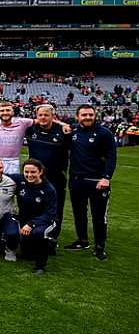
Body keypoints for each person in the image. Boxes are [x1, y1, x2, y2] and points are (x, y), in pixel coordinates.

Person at [66, 104, 116, 261]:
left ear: (95, 115)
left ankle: (100, 247)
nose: (87, 117)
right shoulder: (73, 131)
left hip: (97, 182)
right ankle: (82, 241)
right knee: (79, 213)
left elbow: (111, 157)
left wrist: (106, 177)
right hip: (76, 181)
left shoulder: (104, 133)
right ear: (77, 116)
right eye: (84, 115)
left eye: (90, 114)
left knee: (98, 216)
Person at [25, 104, 70, 250]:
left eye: (46, 115)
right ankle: (32, 234)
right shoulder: (31, 129)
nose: (43, 118)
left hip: (56, 176)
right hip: (34, 177)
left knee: (56, 208)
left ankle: (52, 238)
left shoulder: (62, 131)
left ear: (53, 116)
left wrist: (62, 124)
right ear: (36, 117)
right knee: (33, 206)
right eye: (40, 115)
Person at [12, 159, 58, 275]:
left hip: (45, 221)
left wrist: (31, 224)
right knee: (27, 256)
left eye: (33, 172)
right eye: (26, 172)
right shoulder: (20, 179)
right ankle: (50, 244)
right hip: (25, 220)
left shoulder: (49, 189)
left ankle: (40, 266)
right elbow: (1, 175)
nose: (29, 175)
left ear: (40, 172)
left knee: (38, 233)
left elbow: (50, 213)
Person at [0, 102, 34, 174]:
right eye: (2, 111)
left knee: (12, 183)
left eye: (8, 110)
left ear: (13, 111)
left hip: (13, 161)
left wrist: (58, 123)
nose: (5, 113)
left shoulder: (23, 122)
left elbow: (41, 121)